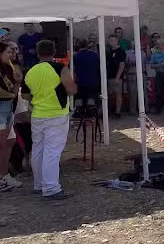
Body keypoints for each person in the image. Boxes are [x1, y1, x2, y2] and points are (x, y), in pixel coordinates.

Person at [22, 40, 76, 199]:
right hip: (56, 114)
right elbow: (72, 89)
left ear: (38, 53)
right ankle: (51, 188)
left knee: (38, 150)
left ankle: (39, 185)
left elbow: (25, 95)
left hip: (38, 114)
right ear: (54, 52)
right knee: (52, 152)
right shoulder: (60, 68)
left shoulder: (31, 71)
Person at [0, 42, 23, 192]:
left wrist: (17, 81)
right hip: (1, 107)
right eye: (8, 52)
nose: (11, 55)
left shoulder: (7, 68)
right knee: (2, 142)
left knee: (10, 141)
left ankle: (4, 175)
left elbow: (13, 91)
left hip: (8, 107)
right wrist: (13, 93)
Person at [73, 41, 101, 106]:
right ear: (87, 46)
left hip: (80, 82)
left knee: (79, 100)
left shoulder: (76, 56)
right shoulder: (95, 55)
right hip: (93, 82)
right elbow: (99, 68)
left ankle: (79, 113)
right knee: (91, 101)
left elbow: (73, 69)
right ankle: (91, 113)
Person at [105, 34, 126, 119]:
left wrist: (118, 77)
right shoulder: (109, 51)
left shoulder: (121, 51)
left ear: (117, 41)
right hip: (109, 76)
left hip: (117, 77)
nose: (112, 42)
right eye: (110, 41)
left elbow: (122, 65)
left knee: (118, 94)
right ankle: (109, 111)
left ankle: (118, 112)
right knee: (110, 94)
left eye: (113, 40)